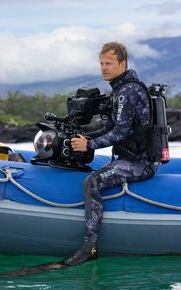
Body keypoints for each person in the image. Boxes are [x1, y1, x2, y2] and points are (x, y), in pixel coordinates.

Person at [62, 41, 157, 266]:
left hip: (140, 162)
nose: (104, 68)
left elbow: (121, 132)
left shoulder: (128, 91)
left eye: (109, 63)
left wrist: (90, 146)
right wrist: (86, 137)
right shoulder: (120, 89)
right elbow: (111, 128)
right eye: (101, 63)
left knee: (92, 182)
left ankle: (89, 247)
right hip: (128, 157)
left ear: (122, 64)